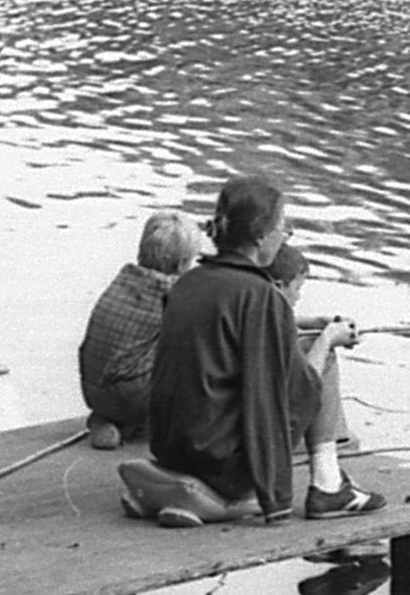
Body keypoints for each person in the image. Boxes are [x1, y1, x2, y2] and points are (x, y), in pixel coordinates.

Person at [140, 172, 381, 522]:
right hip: (222, 463)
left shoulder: (189, 281)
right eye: (283, 228)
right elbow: (293, 389)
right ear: (260, 235)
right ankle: (329, 487)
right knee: (319, 352)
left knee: (308, 342)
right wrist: (328, 339)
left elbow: (227, 338)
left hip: (172, 450)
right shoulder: (260, 295)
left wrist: (294, 323)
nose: (284, 237)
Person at [77, 211, 200, 449]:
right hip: (129, 396)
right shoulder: (175, 291)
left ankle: (113, 421)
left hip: (93, 391)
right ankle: (153, 423)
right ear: (182, 263)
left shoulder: (124, 279)